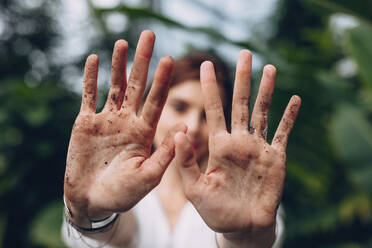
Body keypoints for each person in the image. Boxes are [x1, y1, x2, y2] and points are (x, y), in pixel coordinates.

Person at [62, 30, 301, 248]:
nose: (193, 127)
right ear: (147, 107)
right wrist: (95, 215)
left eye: (208, 115)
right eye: (179, 107)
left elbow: (247, 237)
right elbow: (119, 237)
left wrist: (242, 237)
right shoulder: (115, 184)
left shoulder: (244, 194)